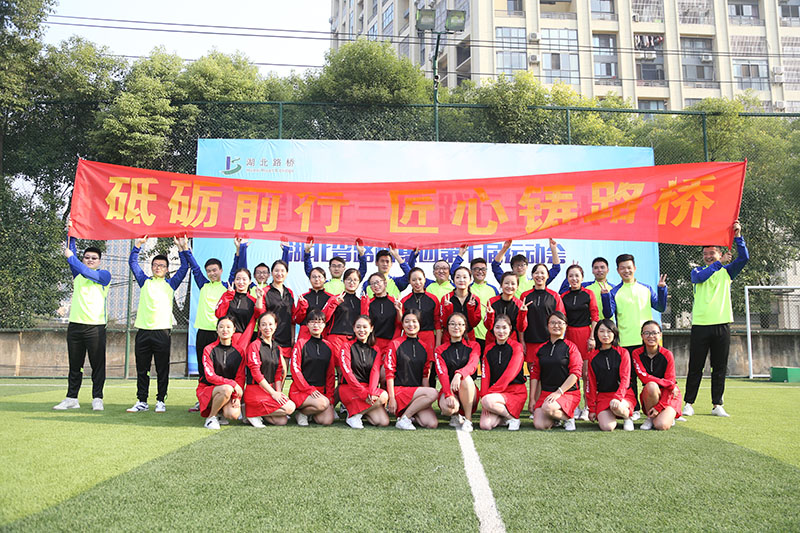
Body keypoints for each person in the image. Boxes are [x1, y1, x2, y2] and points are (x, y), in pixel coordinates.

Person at [684, 220, 749, 418]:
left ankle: (717, 404)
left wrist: (738, 236)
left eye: (712, 253)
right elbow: (700, 278)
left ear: (720, 254)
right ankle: (689, 403)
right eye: (705, 254)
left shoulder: (727, 272)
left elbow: (744, 258)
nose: (708, 256)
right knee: (695, 366)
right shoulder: (697, 271)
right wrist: (719, 264)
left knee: (719, 367)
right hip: (700, 325)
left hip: (721, 324)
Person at [126, 236, 190, 413]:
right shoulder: (144, 281)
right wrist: (138, 245)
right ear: (152, 267)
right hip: (143, 331)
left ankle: (161, 400)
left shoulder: (171, 284)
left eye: (162, 266)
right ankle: (142, 401)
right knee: (142, 369)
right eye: (155, 265)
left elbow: (185, 267)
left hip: (162, 332)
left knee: (162, 369)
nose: (158, 268)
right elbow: (133, 263)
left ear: (167, 269)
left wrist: (181, 248)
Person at [54, 231, 111, 411]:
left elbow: (85, 271)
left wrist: (71, 258)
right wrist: (71, 232)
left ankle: (97, 398)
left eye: (94, 258)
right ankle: (72, 398)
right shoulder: (77, 274)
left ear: (99, 261)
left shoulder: (104, 276)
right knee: (75, 365)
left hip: (95, 327)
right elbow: (71, 251)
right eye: (87, 257)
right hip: (75, 326)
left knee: (97, 365)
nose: (90, 260)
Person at [604, 253, 667, 414]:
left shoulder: (646, 289)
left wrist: (662, 289)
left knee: (652, 378)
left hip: (648, 342)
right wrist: (605, 297)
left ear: (635, 268)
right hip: (626, 343)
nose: (626, 271)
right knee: (629, 379)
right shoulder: (614, 292)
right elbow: (608, 314)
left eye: (629, 267)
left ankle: (659, 408)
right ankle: (635, 409)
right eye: (622, 268)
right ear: (618, 270)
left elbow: (660, 307)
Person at [184, 238, 238, 412]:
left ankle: (223, 399)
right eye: (209, 271)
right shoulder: (203, 285)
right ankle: (202, 400)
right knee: (203, 369)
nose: (212, 273)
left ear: (221, 270)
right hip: (203, 333)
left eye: (215, 270)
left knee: (219, 369)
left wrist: (238, 251)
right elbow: (195, 268)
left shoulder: (227, 286)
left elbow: (236, 269)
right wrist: (185, 248)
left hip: (219, 335)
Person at [385, 310, 439, 430]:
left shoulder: (424, 346)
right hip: (400, 392)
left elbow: (425, 375)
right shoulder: (395, 344)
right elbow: (389, 374)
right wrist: (391, 398)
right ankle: (405, 418)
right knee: (434, 392)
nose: (411, 325)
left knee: (431, 423)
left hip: (417, 394)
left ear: (419, 324)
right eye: (407, 321)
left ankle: (406, 415)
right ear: (402, 324)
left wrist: (427, 401)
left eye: (414, 321)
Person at [529, 311, 582, 431]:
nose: (556, 326)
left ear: (566, 325)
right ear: (547, 325)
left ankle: (569, 418)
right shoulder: (541, 349)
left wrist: (559, 392)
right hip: (546, 393)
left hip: (567, 393)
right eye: (552, 323)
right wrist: (532, 398)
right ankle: (556, 418)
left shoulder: (571, 347)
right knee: (540, 425)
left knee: (548, 408)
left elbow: (575, 373)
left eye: (560, 323)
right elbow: (535, 375)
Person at [560, 264, 600, 421]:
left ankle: (588, 407)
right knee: (572, 372)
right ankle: (573, 406)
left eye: (577, 275)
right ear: (567, 278)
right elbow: (562, 317)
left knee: (586, 374)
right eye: (571, 276)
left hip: (585, 335)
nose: (574, 279)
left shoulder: (588, 294)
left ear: (582, 277)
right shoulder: (564, 296)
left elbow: (595, 316)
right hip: (569, 335)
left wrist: (592, 337)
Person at [243, 312, 297, 427]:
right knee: (290, 407)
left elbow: (278, 373)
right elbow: (256, 373)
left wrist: (278, 393)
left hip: (269, 391)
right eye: (263, 325)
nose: (267, 328)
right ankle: (251, 413)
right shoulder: (254, 346)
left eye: (270, 324)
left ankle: (257, 413)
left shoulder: (277, 347)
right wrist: (273, 393)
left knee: (281, 421)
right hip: (255, 391)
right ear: (259, 327)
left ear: (275, 326)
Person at [338, 316, 390, 429]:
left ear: (371, 329)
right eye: (358, 327)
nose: (361, 330)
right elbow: (347, 373)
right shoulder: (346, 346)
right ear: (354, 329)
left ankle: (357, 413)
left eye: (365, 327)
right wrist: (362, 392)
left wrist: (371, 391)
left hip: (367, 390)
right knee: (383, 395)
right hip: (349, 388)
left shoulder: (376, 349)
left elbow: (375, 372)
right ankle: (353, 416)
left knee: (383, 421)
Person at [585, 319, 635, 432]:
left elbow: (625, 379)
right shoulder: (592, 356)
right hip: (603, 397)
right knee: (607, 427)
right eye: (602, 331)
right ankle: (612, 414)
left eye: (609, 331)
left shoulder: (623, 353)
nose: (605, 335)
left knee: (617, 406)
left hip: (623, 395)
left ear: (614, 333)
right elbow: (591, 384)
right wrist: (592, 408)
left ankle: (627, 418)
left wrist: (618, 397)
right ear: (596, 333)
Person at [288, 310, 336, 426]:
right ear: (307, 325)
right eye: (313, 322)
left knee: (326, 420)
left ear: (324, 325)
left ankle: (308, 412)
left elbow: (330, 374)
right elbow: (295, 370)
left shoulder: (328, 346)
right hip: (300, 390)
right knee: (322, 404)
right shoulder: (301, 343)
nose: (316, 325)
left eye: (319, 322)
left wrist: (330, 396)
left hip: (319, 392)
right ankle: (302, 413)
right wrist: (308, 389)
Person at [434, 313, 480, 432]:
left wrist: (459, 374)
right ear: (447, 327)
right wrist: (448, 393)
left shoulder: (474, 345)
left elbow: (472, 365)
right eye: (452, 324)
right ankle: (455, 414)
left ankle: (468, 420)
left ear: (465, 327)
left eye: (460, 324)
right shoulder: (440, 350)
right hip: (449, 388)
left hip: (468, 389)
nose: (456, 327)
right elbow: (442, 374)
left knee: (466, 379)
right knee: (448, 409)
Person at [196, 316, 246, 429]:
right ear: (217, 330)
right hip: (207, 389)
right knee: (226, 389)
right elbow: (210, 376)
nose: (225, 330)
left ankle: (220, 413)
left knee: (233, 414)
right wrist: (232, 384)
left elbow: (240, 377)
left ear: (234, 330)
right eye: (221, 327)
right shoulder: (208, 349)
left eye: (228, 327)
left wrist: (237, 397)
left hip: (229, 390)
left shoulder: (239, 351)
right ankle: (211, 418)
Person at [479, 315, 527, 431]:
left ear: (510, 328)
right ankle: (505, 417)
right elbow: (485, 376)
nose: (501, 331)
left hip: (515, 392)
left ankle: (513, 418)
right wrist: (484, 395)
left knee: (488, 401)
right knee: (485, 425)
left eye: (504, 328)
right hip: (495, 394)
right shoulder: (488, 349)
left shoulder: (517, 347)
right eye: (497, 327)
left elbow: (510, 374)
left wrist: (488, 395)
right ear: (493, 329)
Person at [634, 321, 682, 430]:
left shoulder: (667, 354)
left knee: (661, 425)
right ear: (642, 336)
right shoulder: (636, 353)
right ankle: (650, 418)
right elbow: (644, 377)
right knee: (651, 385)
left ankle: (666, 415)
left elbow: (670, 383)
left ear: (660, 335)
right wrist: (669, 384)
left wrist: (659, 407)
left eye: (654, 333)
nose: (651, 336)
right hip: (651, 394)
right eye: (647, 333)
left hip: (669, 394)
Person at [451, 247, 500, 353]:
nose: (480, 272)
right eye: (476, 269)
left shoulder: (493, 289)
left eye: (483, 269)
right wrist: (460, 255)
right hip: (471, 334)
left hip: (488, 334)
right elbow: (453, 272)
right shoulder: (467, 288)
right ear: (471, 272)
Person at [520, 263, 566, 365]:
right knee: (532, 372)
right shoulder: (525, 296)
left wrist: (559, 341)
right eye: (536, 273)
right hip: (530, 342)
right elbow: (520, 321)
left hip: (549, 342)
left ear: (548, 275)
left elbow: (561, 320)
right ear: (532, 275)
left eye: (542, 273)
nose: (539, 276)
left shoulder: (554, 296)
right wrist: (522, 341)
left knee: (548, 371)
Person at [264, 259, 303, 372]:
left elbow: (292, 318)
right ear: (271, 273)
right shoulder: (265, 291)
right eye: (276, 271)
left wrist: (292, 337)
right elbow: (261, 315)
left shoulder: (289, 292)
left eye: (282, 271)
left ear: (286, 273)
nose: (279, 273)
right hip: (270, 337)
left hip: (286, 338)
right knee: (270, 372)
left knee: (283, 372)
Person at [215, 268, 265, 353]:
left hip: (245, 339)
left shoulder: (253, 301)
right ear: (234, 281)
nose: (241, 282)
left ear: (250, 282)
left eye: (244, 279)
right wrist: (228, 297)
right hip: (226, 337)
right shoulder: (227, 295)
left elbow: (259, 315)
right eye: (238, 279)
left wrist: (259, 298)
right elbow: (219, 314)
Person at [492, 238, 561, 298]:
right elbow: (495, 266)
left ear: (527, 266)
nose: (519, 267)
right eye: (516, 265)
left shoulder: (536, 281)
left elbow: (556, 268)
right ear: (512, 267)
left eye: (522, 265)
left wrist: (553, 249)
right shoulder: (508, 282)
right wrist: (505, 248)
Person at [323, 268, 369, 356]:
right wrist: (335, 303)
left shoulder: (360, 302)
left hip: (353, 338)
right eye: (349, 279)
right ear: (344, 281)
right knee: (338, 364)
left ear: (359, 282)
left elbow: (365, 320)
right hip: (336, 338)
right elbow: (324, 318)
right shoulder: (335, 298)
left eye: (355, 280)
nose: (352, 282)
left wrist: (365, 304)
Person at [300, 237, 367, 296]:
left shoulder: (348, 283)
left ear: (344, 268)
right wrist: (307, 252)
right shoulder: (323, 283)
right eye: (334, 266)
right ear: (329, 268)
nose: (336, 269)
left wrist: (361, 254)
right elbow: (310, 272)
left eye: (339, 266)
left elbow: (361, 272)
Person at [398, 267, 443, 348]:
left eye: (420, 279)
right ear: (409, 281)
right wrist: (398, 310)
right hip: (409, 337)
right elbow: (401, 323)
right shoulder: (404, 300)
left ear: (425, 279)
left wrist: (438, 344)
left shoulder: (433, 299)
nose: (417, 282)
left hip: (428, 338)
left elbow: (437, 323)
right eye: (414, 280)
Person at [483, 272, 528, 345]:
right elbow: (488, 326)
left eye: (513, 284)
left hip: (511, 342)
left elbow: (521, 328)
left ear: (517, 286)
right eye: (506, 283)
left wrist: (523, 313)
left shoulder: (519, 304)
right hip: (492, 342)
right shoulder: (492, 302)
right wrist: (490, 315)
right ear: (501, 285)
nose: (509, 286)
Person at [440, 267, 482, 343]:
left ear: (470, 280)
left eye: (465, 277)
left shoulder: (475, 299)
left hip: (469, 338)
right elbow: (444, 323)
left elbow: (474, 323)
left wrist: (470, 309)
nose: (461, 280)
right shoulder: (446, 298)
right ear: (453, 280)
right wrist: (448, 309)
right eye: (458, 277)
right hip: (449, 338)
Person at [294, 267, 334, 342]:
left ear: (325, 279)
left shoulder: (331, 298)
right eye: (314, 277)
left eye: (319, 277)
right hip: (305, 334)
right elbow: (298, 320)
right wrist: (303, 307)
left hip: (324, 334)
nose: (317, 279)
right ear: (309, 279)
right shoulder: (303, 297)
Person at [366, 272, 400, 354]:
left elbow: (400, 324)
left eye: (378, 282)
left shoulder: (394, 302)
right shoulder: (369, 304)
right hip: (373, 344)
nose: (376, 285)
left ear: (385, 283)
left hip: (391, 343)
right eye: (372, 284)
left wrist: (399, 310)